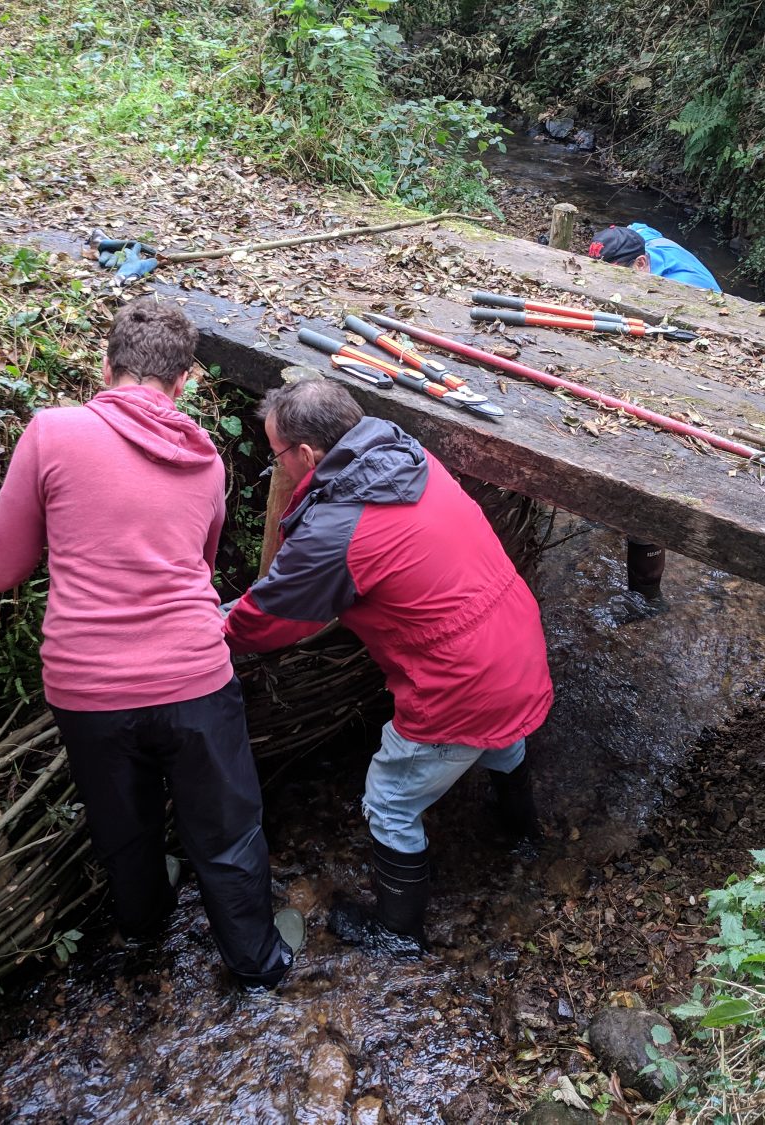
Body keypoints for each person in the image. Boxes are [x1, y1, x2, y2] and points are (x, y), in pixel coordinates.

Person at [0, 298, 298, 989]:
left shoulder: (50, 432)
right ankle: (259, 966)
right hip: (195, 677)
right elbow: (203, 570)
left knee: (126, 831)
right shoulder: (207, 458)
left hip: (88, 688)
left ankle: (145, 941)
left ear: (106, 365)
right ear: (185, 381)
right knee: (229, 834)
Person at [223, 379, 553, 949]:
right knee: (501, 736)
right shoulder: (409, 455)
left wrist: (215, 627)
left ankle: (398, 932)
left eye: (276, 453)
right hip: (515, 639)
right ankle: (520, 833)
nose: (277, 462)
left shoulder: (337, 531)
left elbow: (275, 621)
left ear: (305, 456)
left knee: (390, 799)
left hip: (462, 681)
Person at [587, 223, 726, 619]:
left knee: (649, 476)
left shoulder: (687, 294)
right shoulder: (637, 243)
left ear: (643, 264)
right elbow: (635, 226)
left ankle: (648, 597)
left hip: (697, 372)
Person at [587, 223, 723, 294]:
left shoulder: (680, 285)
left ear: (640, 263)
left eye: (614, 272)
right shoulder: (644, 237)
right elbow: (638, 227)